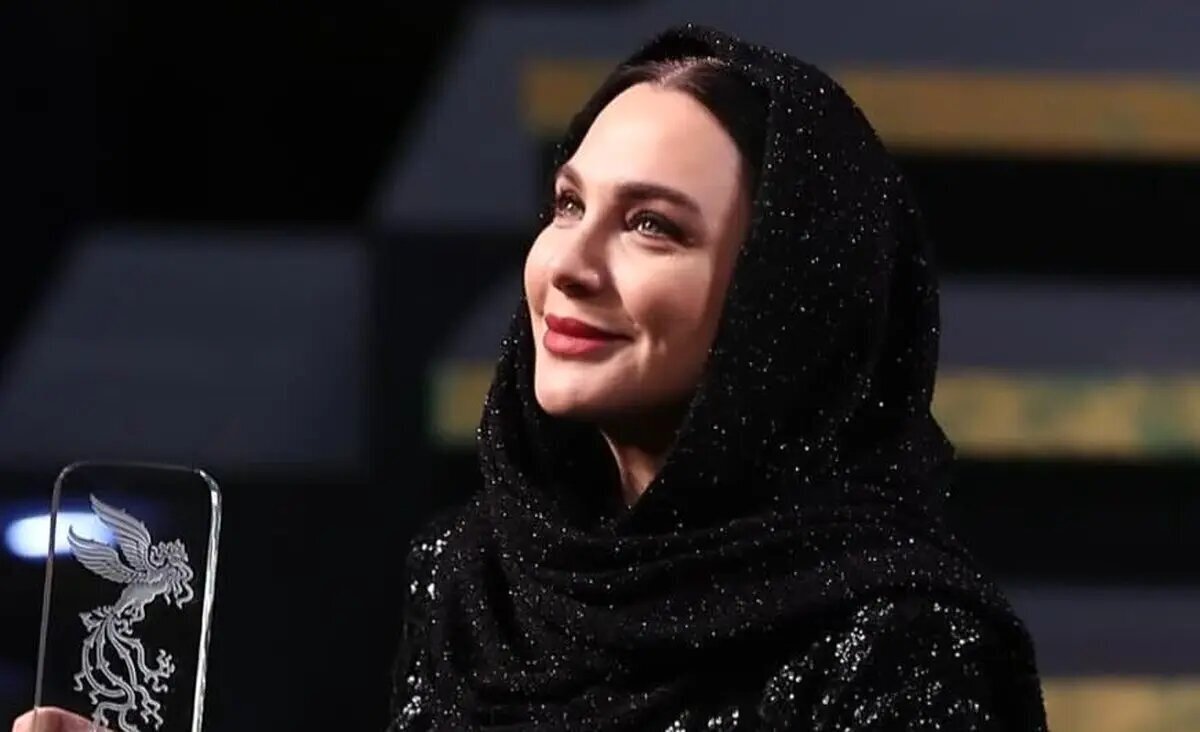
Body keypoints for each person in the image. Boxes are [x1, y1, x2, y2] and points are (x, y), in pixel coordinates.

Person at [13, 22, 1048, 732]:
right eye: (567, 205)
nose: (569, 266)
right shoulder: (475, 578)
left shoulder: (907, 644)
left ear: (782, 305)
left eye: (652, 225)